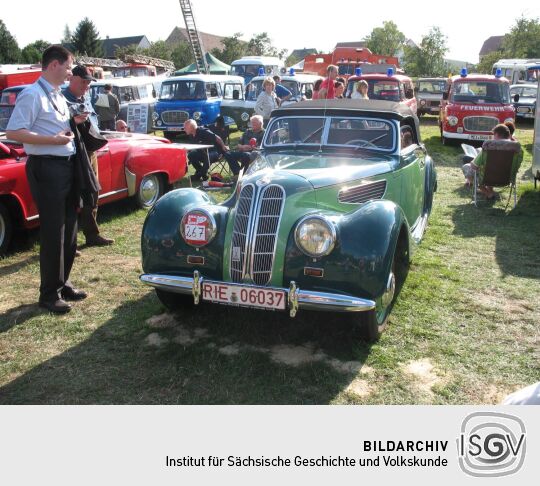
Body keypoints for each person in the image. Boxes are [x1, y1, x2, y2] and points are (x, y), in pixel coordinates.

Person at [6, 45, 89, 313]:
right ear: (53, 65)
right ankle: (48, 293)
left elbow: (55, 127)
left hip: (66, 166)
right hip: (46, 168)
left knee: (70, 225)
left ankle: (62, 283)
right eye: (67, 66)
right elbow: (15, 132)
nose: (70, 72)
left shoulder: (56, 95)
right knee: (54, 231)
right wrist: (52, 140)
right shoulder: (32, 94)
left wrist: (73, 123)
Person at [63, 65, 114, 248]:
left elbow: (93, 122)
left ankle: (92, 235)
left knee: (92, 192)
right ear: (72, 79)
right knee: (71, 197)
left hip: (89, 151)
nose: (86, 86)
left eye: (88, 82)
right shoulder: (62, 99)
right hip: (71, 154)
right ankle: (68, 243)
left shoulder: (85, 97)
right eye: (83, 82)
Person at [462, 124, 523, 198]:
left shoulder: (489, 146)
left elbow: (473, 166)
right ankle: (490, 190)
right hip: (507, 179)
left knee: (466, 167)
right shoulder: (517, 149)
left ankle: (488, 193)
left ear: (496, 134)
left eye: (494, 135)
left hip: (487, 178)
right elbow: (517, 165)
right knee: (492, 168)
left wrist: (475, 163)